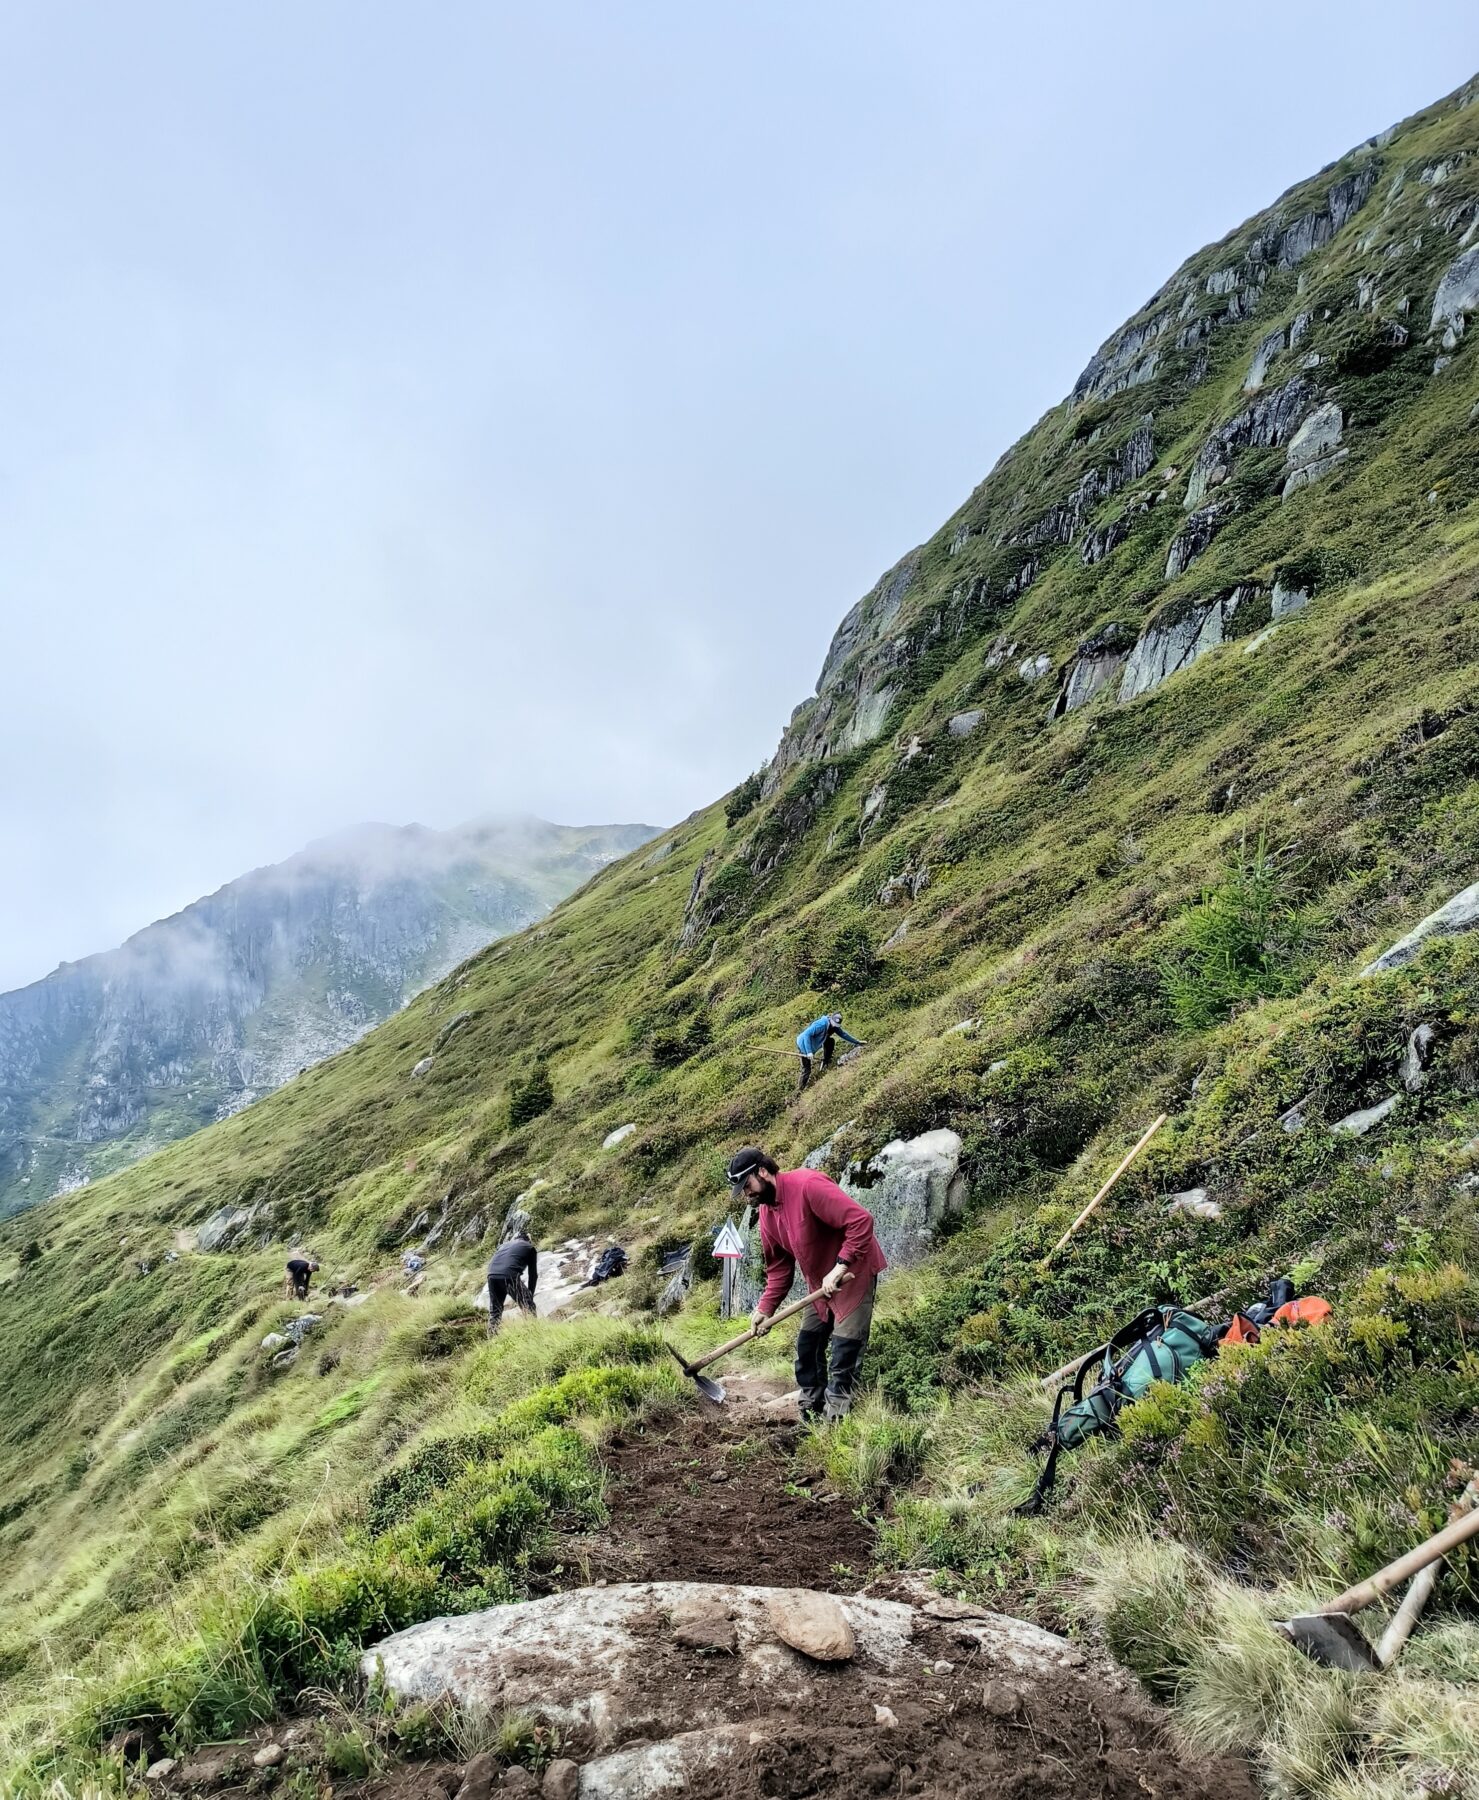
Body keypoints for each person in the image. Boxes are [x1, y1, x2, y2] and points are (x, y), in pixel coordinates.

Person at [727, 1145, 887, 1423]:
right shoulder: (767, 1213)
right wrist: (765, 1308)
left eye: (747, 1184)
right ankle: (811, 1413)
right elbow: (779, 1269)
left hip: (852, 1273)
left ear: (762, 1172)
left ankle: (836, 1422)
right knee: (807, 1348)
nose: (746, 1193)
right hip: (819, 1287)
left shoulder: (807, 1185)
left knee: (844, 1351)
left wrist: (841, 1265)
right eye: (741, 1189)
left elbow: (861, 1221)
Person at [485, 1231, 539, 1336]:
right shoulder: (529, 1247)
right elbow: (533, 1275)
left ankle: (491, 1338)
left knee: (495, 1311)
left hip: (492, 1275)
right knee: (528, 1306)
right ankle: (534, 1333)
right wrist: (530, 1295)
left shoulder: (503, 1245)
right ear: (528, 1240)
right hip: (509, 1275)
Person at [795, 1013, 864, 1091]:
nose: (834, 1026)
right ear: (831, 1019)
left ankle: (825, 1061)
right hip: (803, 1044)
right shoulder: (821, 1025)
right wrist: (809, 1052)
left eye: (836, 1025)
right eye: (833, 1024)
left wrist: (857, 1042)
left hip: (815, 1042)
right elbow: (806, 1035)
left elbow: (843, 1034)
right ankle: (800, 1090)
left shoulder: (834, 1026)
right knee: (806, 1069)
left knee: (830, 1041)